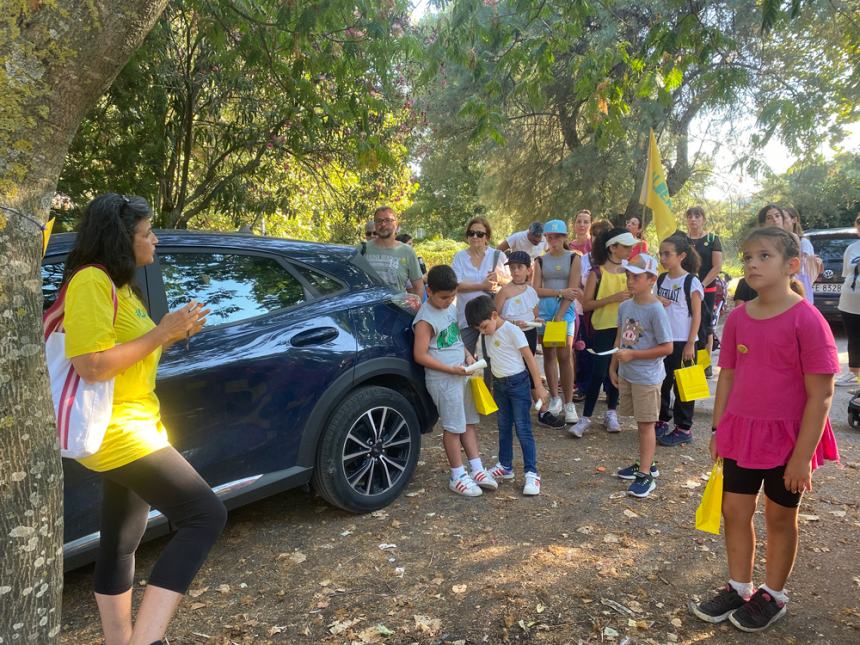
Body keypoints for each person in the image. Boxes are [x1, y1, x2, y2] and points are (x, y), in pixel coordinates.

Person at [61, 193, 226, 645]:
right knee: (205, 515)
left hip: (137, 425)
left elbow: (130, 356)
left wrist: (172, 335)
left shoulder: (121, 287)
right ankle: (145, 641)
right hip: (120, 433)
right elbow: (90, 363)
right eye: (146, 233)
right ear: (121, 239)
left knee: (121, 540)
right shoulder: (90, 283)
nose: (154, 240)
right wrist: (162, 331)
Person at [690, 226, 839, 632]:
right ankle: (739, 585)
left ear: (792, 265)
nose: (752, 263)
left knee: (779, 517)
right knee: (734, 510)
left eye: (764, 256)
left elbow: (822, 395)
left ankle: (773, 594)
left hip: (789, 440)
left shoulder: (807, 320)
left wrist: (803, 457)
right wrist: (719, 428)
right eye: (748, 256)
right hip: (742, 434)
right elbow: (728, 378)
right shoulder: (739, 317)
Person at [412, 265, 498, 497]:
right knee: (453, 427)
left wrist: (469, 356)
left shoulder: (449, 307)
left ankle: (477, 468)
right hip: (443, 379)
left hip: (461, 374)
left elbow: (456, 339)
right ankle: (457, 475)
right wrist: (450, 369)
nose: (449, 301)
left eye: (452, 296)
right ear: (429, 291)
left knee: (468, 422)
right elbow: (420, 355)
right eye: (444, 297)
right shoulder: (425, 319)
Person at [466, 295, 548, 496]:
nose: (483, 332)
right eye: (479, 330)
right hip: (500, 385)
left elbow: (529, 357)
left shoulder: (512, 331)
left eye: (484, 327)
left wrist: (538, 387)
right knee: (503, 426)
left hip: (518, 383)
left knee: (523, 428)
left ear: (494, 315)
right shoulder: (487, 334)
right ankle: (505, 466)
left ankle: (531, 472)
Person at [608, 253, 673, 497]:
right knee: (639, 422)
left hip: (647, 377)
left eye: (636, 276)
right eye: (628, 275)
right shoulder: (626, 306)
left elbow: (667, 347)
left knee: (647, 425)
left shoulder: (656, 310)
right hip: (628, 373)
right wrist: (613, 367)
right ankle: (647, 463)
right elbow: (621, 337)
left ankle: (645, 475)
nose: (630, 281)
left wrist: (634, 356)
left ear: (651, 279)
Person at [569, 227, 637, 437]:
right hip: (603, 327)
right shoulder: (596, 273)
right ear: (612, 247)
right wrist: (612, 299)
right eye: (625, 246)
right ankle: (586, 417)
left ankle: (611, 412)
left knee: (618, 371)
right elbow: (587, 304)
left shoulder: (630, 272)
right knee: (598, 372)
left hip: (627, 327)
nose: (629, 249)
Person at [496, 251, 565, 428]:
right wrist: (511, 323)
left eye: (519, 267)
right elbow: (495, 316)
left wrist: (537, 321)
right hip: (510, 336)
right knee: (517, 370)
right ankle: (538, 410)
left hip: (529, 333)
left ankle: (538, 408)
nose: (515, 271)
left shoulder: (532, 291)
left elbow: (534, 313)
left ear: (528, 270)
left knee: (528, 367)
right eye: (512, 268)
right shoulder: (504, 292)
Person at [655, 234, 704, 447]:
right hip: (663, 341)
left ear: (682, 256)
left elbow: (697, 314)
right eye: (661, 253)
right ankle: (662, 419)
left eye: (668, 254)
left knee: (684, 386)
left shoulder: (691, 281)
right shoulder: (660, 279)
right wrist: (656, 298)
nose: (663, 258)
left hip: (684, 341)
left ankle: (684, 428)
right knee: (662, 383)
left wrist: (691, 343)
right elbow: (651, 303)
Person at [533, 219, 582, 423]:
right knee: (549, 354)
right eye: (549, 236)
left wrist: (561, 314)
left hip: (564, 312)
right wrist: (558, 292)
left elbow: (573, 290)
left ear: (564, 237)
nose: (553, 240)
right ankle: (554, 398)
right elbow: (535, 289)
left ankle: (569, 402)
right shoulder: (540, 260)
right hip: (546, 312)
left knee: (565, 354)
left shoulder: (574, 258)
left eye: (557, 236)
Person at [452, 216, 510, 357]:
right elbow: (455, 285)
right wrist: (481, 285)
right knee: (463, 358)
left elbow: (511, 282)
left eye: (480, 233)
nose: (475, 236)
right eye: (471, 233)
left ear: (487, 237)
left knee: (493, 359)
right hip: (467, 318)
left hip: (491, 317)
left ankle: (490, 380)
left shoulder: (498, 256)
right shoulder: (460, 257)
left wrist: (499, 278)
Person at [685, 206, 723, 377]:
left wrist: (701, 284)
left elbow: (717, 266)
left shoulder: (712, 239)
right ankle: (686, 357)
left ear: (703, 219)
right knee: (686, 321)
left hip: (706, 288)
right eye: (690, 216)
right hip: (685, 288)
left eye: (697, 216)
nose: (693, 219)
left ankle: (704, 363)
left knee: (705, 325)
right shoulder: (681, 239)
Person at [361, 206, 424, 297]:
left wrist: (414, 310)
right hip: (369, 309)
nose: (383, 224)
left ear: (396, 224)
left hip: (397, 309)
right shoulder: (362, 249)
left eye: (388, 220)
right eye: (379, 221)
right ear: (375, 224)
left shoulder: (407, 252)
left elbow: (418, 287)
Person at [835, 215, 860, 387]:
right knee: (854, 339)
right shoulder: (852, 248)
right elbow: (847, 274)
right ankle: (855, 373)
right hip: (849, 302)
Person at [783, 206, 820, 304]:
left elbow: (801, 269)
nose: (781, 221)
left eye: (784, 218)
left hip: (800, 292)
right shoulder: (778, 242)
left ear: (794, 220)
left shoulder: (804, 243)